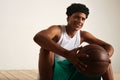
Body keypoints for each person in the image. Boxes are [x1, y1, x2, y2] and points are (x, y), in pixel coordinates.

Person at [33, 3, 114, 80]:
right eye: (77, 17)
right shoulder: (57, 30)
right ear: (68, 18)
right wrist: (67, 54)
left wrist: (107, 55)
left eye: (83, 19)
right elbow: (38, 37)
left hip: (73, 68)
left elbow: (107, 46)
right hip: (55, 70)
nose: (80, 21)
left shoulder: (83, 35)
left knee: (104, 60)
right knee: (45, 49)